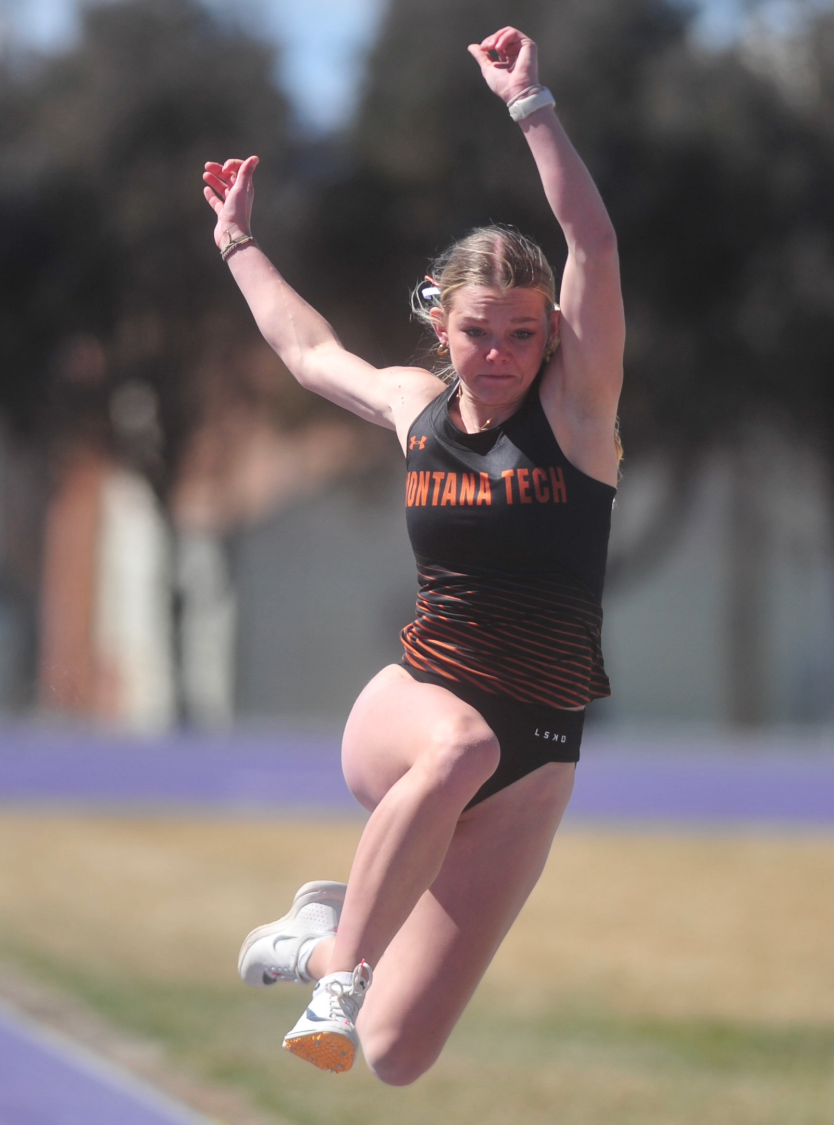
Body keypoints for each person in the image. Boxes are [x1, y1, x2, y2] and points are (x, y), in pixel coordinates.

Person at [200, 26, 621, 1084]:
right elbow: (307, 353)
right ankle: (339, 975)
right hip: (417, 709)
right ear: (441, 323)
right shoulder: (415, 406)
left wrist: (532, 106)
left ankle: (318, 941)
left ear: (551, 337)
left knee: (394, 1056)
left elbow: (595, 250)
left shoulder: (577, 418)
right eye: (479, 331)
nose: (499, 356)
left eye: (524, 335)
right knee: (457, 752)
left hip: (539, 753)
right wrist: (236, 243)